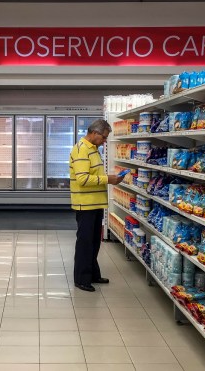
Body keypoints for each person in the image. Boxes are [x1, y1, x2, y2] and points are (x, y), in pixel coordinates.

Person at [69, 119, 124, 292]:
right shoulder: (81, 150)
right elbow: (83, 179)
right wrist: (109, 179)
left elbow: (94, 175)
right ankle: (81, 279)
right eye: (104, 137)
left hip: (95, 204)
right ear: (94, 133)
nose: (105, 141)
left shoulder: (93, 150)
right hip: (85, 205)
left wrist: (110, 177)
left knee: (94, 242)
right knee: (85, 243)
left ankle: (92, 273)